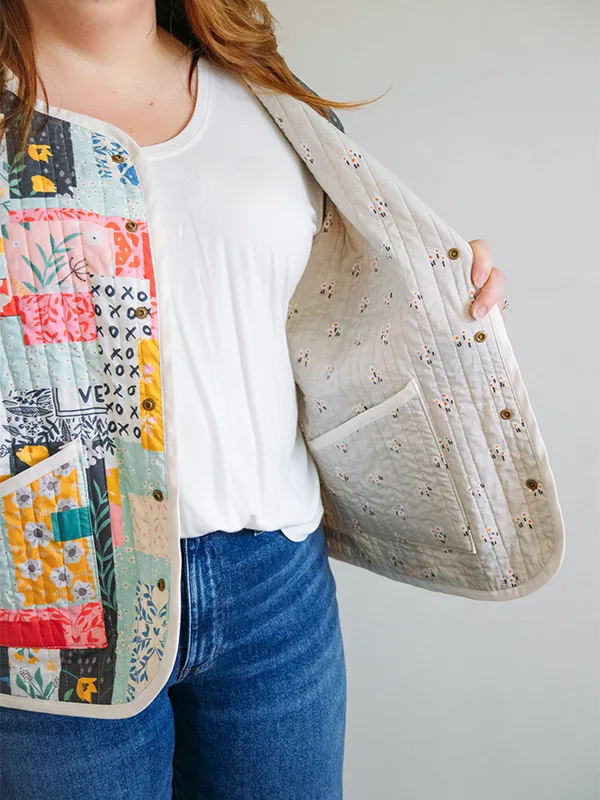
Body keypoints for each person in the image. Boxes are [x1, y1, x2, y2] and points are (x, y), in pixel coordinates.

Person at [0, 2, 507, 798]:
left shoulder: (270, 106)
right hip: (52, 600)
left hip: (275, 592)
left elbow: (339, 319)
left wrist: (446, 292)